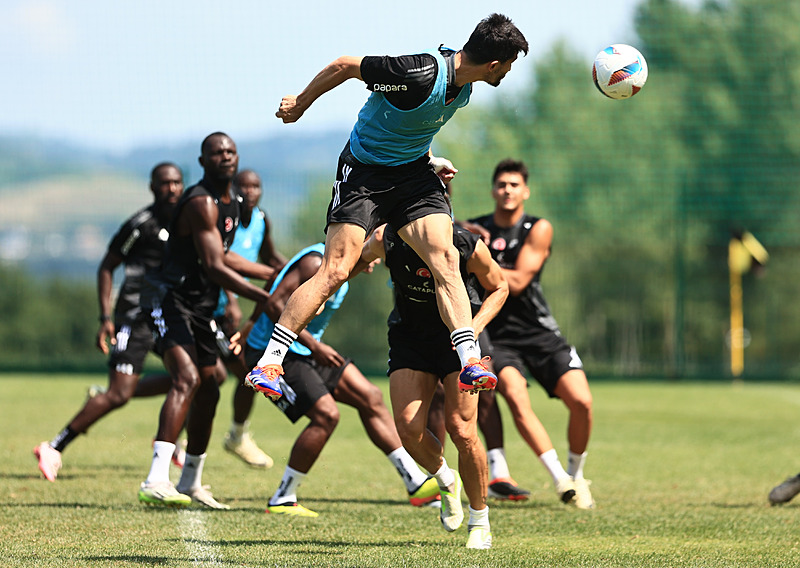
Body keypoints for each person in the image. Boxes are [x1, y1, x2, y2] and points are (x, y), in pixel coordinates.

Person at [245, 13, 529, 404]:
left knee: (445, 258)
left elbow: (411, 125)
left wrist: (430, 160)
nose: (509, 72)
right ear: (494, 64)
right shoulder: (416, 74)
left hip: (412, 175)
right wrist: (300, 103)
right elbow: (345, 66)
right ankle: (269, 363)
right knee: (335, 271)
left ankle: (469, 362)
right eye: (510, 65)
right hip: (364, 174)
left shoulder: (463, 86)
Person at [233, 242, 441, 517]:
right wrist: (314, 346)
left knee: (370, 396)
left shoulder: (341, 269)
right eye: (377, 247)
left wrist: (253, 324)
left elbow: (277, 286)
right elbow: (275, 302)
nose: (379, 258)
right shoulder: (315, 262)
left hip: (306, 351)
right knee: (326, 416)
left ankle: (415, 482)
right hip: (273, 354)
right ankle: (283, 496)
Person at [137, 132, 277, 509]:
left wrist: (272, 274)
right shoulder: (200, 201)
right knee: (188, 378)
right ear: (203, 162)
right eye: (216, 153)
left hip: (199, 307)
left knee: (212, 382)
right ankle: (155, 479)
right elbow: (215, 266)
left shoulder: (233, 201)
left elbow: (226, 257)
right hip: (167, 299)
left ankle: (190, 482)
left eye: (230, 151)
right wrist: (265, 296)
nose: (225, 157)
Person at [359, 222, 508, 549]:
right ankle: (445, 478)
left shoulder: (465, 243)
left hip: (459, 341)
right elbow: (354, 259)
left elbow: (500, 287)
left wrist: (474, 327)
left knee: (462, 430)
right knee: (408, 430)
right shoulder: (389, 239)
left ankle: (480, 519)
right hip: (409, 340)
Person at [33, 163, 184, 482]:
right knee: (119, 395)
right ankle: (53, 447)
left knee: (189, 377)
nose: (171, 188)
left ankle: (172, 444)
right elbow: (106, 266)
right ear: (152, 187)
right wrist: (106, 318)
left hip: (167, 312)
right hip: (135, 314)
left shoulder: (188, 221)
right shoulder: (140, 224)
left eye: (176, 183)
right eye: (164, 183)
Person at [468, 158, 595, 509]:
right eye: (501, 184)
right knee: (514, 394)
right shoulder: (474, 228)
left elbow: (520, 281)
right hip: (499, 337)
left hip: (539, 332)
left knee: (582, 402)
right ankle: (561, 480)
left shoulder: (537, 228)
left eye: (514, 185)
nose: (507, 190)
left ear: (525, 191)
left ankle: (577, 472)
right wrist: (464, 234)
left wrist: (475, 256)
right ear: (493, 189)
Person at [213, 169, 286, 469]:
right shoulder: (222, 218)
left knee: (231, 375)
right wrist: (232, 299)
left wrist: (302, 272)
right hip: (207, 308)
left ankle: (236, 435)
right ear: (232, 188)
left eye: (256, 185)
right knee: (208, 376)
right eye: (243, 186)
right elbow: (221, 261)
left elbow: (271, 257)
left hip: (224, 314)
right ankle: (230, 437)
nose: (250, 191)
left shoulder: (261, 219)